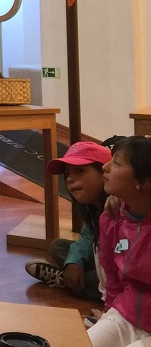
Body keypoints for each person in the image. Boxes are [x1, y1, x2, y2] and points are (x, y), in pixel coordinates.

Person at [24, 140, 112, 302]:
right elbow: (88, 235)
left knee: (97, 279)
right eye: (67, 175)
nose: (70, 179)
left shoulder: (119, 205)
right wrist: (74, 262)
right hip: (105, 260)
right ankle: (74, 278)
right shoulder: (91, 206)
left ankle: (66, 281)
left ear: (105, 172)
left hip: (125, 267)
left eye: (80, 171)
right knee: (58, 247)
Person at [87, 136, 151, 347]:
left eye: (116, 163)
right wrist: (107, 316)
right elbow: (113, 281)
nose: (104, 167)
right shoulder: (112, 218)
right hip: (127, 314)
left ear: (143, 183)